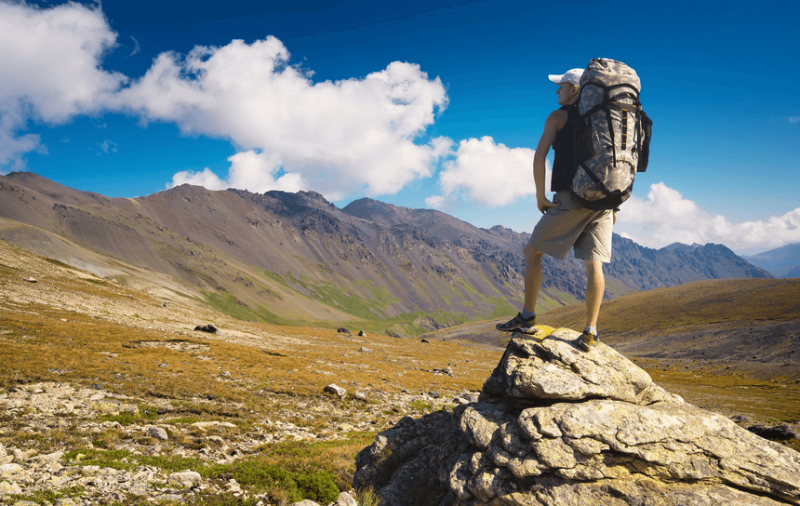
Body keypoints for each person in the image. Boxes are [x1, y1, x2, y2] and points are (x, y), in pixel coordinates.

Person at [496, 68, 615, 351]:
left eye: (561, 86)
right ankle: (590, 332)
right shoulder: (604, 117)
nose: (556, 91)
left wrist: (540, 195)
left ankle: (527, 317)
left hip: (572, 198)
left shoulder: (558, 116)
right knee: (593, 263)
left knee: (532, 251)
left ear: (574, 90)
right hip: (605, 202)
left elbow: (539, 156)